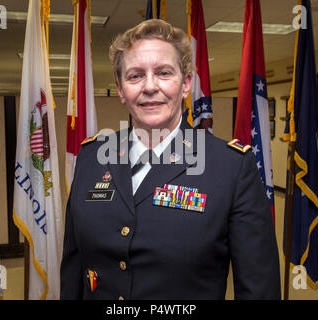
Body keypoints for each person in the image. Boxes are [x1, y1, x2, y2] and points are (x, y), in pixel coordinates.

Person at [60, 19, 280, 300]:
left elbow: (258, 289)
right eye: (135, 76)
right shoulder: (92, 157)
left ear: (186, 84)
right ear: (120, 90)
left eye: (164, 73)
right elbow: (73, 272)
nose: (150, 87)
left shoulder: (231, 167)